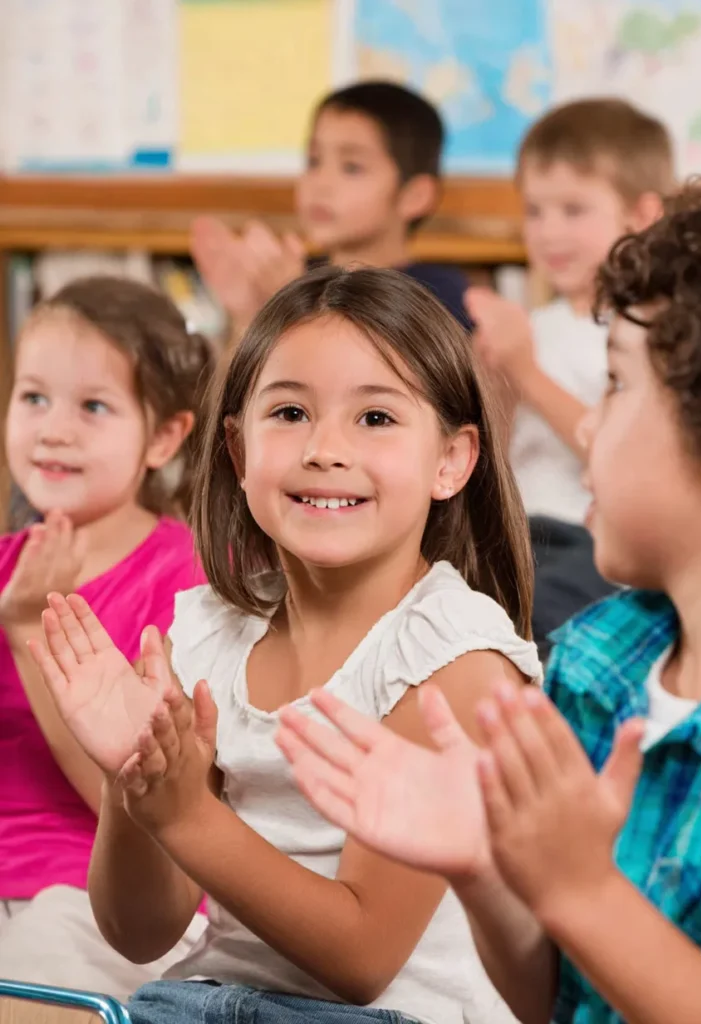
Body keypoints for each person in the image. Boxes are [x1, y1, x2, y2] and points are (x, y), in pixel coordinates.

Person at [277, 174, 701, 1022]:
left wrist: (579, 891)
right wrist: (486, 870)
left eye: (615, 384)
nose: (582, 424)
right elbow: (550, 995)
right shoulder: (594, 661)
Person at [29, 266, 541, 1024]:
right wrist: (131, 778)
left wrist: (184, 818)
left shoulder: (455, 659)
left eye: (374, 419)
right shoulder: (206, 631)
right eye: (290, 412)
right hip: (205, 1002)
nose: (324, 449)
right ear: (237, 452)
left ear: (451, 460)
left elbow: (364, 958)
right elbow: (141, 933)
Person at [0, 277, 214, 998]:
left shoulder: (181, 581)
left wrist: (29, 627)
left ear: (163, 436)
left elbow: (141, 807)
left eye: (93, 406)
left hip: (99, 902)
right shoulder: (8, 564)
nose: (53, 429)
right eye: (33, 398)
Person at [467, 98, 675, 657]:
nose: (549, 231)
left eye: (574, 209)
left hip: (591, 542)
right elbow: (498, 457)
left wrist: (525, 372)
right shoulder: (534, 325)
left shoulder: (648, 329)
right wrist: (493, 378)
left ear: (642, 215)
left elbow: (628, 456)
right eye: (535, 211)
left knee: (524, 639)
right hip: (513, 535)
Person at [191, 81, 473, 340]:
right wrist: (248, 316)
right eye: (314, 161)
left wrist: (289, 308)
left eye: (352, 167)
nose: (320, 184)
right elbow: (237, 393)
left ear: (414, 196)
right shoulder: (297, 275)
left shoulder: (438, 296)